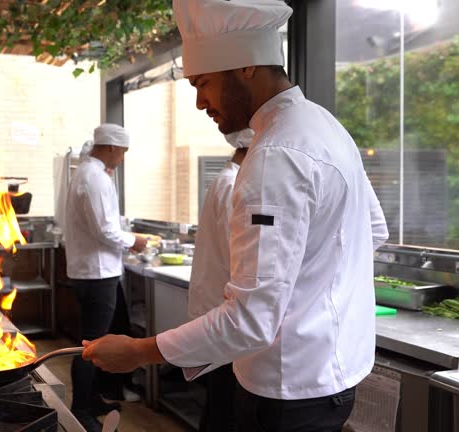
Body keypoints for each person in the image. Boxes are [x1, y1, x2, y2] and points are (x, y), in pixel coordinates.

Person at [81, 1, 389, 431]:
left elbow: (251, 319)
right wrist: (315, 298)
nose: (199, 102)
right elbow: (373, 231)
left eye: (202, 83)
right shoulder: (325, 125)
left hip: (285, 388)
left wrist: (137, 351)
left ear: (246, 66)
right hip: (331, 378)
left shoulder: (275, 155)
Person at [64, 124, 148, 431]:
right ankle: (81, 410)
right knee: (90, 344)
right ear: (112, 148)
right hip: (97, 274)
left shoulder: (88, 172)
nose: (123, 159)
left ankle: (93, 398)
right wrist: (134, 240)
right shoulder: (95, 177)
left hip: (93, 271)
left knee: (101, 338)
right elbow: (105, 230)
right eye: (123, 153)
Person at [189, 129, 252, 432]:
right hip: (224, 309)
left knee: (219, 401)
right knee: (224, 405)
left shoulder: (227, 179)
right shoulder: (233, 184)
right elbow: (240, 254)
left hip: (217, 304)